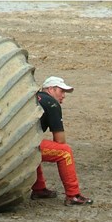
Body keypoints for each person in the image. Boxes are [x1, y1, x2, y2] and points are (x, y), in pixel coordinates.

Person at [31, 76, 94, 206]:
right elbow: (60, 141)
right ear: (51, 89)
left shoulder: (33, 97)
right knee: (65, 152)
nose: (64, 96)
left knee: (35, 143)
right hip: (24, 146)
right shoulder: (52, 103)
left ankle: (39, 189)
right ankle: (73, 195)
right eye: (62, 91)